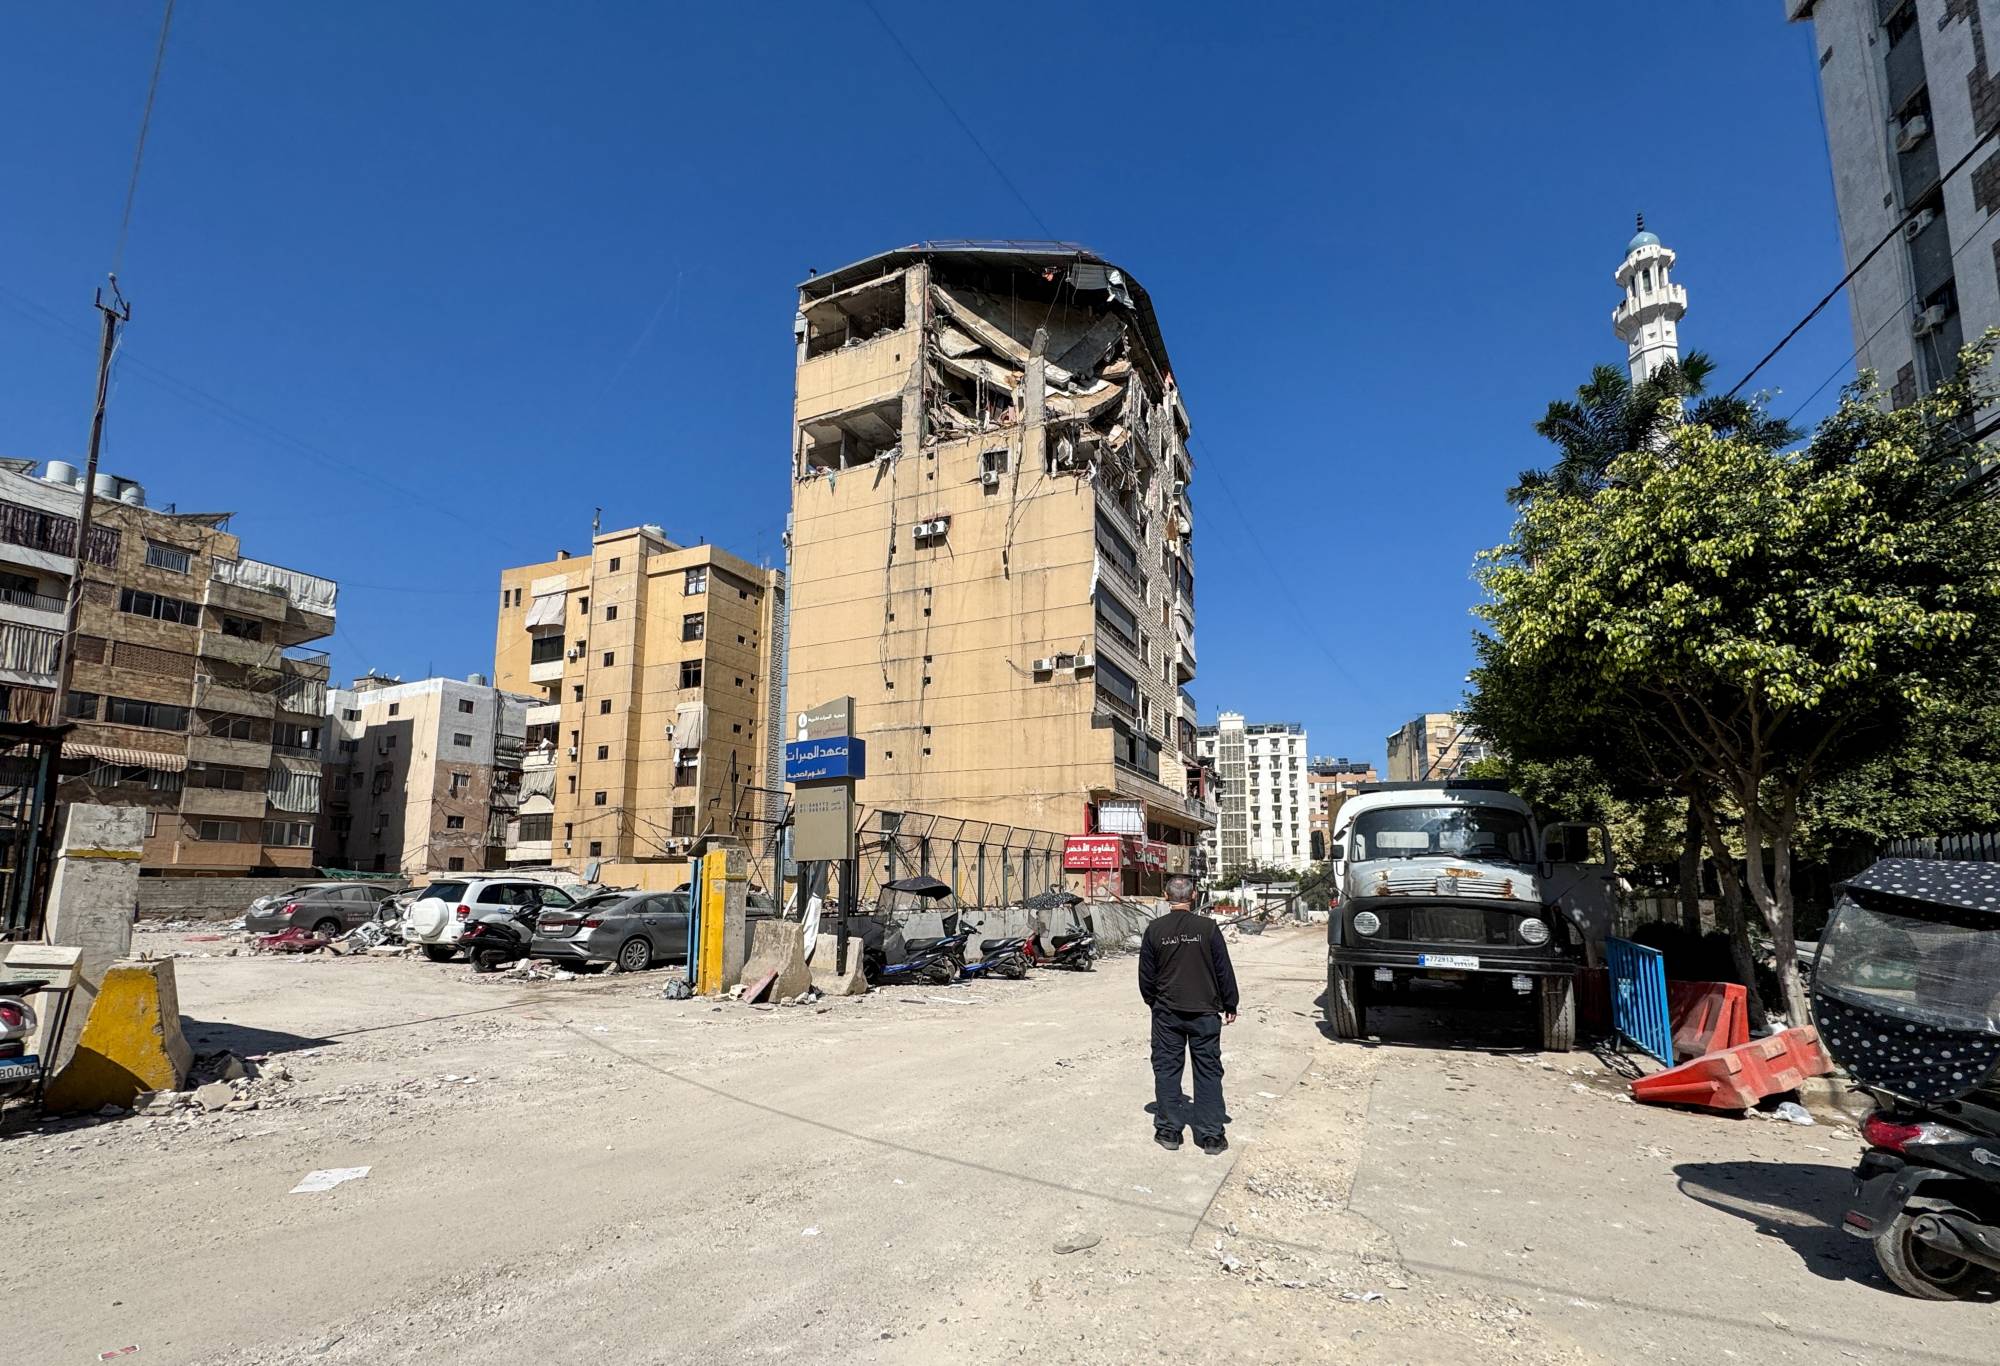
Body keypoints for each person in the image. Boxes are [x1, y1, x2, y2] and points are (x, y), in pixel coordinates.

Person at [1138, 874, 1239, 1153]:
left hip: (1166, 1013)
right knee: (1208, 1071)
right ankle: (1211, 1136)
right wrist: (1230, 1003)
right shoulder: (1208, 928)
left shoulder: (1155, 929)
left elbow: (1146, 976)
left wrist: (1154, 1002)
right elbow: (1223, 968)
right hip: (1204, 1012)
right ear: (1193, 896)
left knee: (1167, 1070)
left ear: (1165, 895)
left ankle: (1169, 1131)